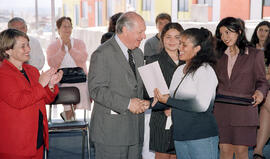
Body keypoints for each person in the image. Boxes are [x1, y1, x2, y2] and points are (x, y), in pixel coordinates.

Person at [88, 11, 149, 159]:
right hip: (111, 133)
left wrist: (149, 99)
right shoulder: (102, 54)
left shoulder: (138, 54)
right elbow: (96, 90)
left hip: (135, 129)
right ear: (125, 30)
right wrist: (128, 103)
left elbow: (138, 86)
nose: (144, 36)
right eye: (140, 32)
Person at [151, 28, 219, 159]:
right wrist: (148, 103)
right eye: (179, 43)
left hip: (201, 136)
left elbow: (201, 106)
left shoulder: (205, 70)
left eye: (184, 44)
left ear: (197, 49)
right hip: (180, 136)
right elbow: (172, 100)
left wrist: (168, 101)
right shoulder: (179, 70)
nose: (179, 47)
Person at [0, 29, 62, 159]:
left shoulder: (32, 70)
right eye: (22, 46)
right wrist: (41, 85)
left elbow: (43, 99)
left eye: (28, 44)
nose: (28, 49)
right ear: (8, 50)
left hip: (36, 137)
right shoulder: (3, 74)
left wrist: (50, 85)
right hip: (16, 143)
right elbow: (19, 101)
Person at [214, 17, 269, 159]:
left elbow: (262, 82)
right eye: (222, 34)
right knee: (224, 150)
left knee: (241, 152)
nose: (225, 37)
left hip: (244, 111)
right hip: (222, 110)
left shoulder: (255, 54)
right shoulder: (217, 56)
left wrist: (260, 93)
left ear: (239, 31)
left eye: (228, 32)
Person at [145, 22, 184, 159]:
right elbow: (148, 94)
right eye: (168, 37)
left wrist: (177, 110)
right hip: (161, 116)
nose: (172, 41)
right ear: (162, 39)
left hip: (183, 117)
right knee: (162, 154)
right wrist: (165, 107)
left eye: (177, 37)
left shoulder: (190, 62)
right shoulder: (152, 60)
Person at [46, 16, 91, 122]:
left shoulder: (79, 43)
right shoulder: (52, 46)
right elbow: (51, 63)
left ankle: (68, 115)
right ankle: (69, 115)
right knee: (66, 87)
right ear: (58, 29)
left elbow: (83, 58)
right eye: (64, 27)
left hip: (78, 76)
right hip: (60, 78)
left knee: (83, 87)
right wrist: (62, 50)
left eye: (69, 26)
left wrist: (71, 48)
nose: (67, 29)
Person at [250, 20, 270, 159]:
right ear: (256, 31)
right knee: (266, 110)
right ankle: (258, 151)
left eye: (266, 30)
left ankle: (258, 151)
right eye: (260, 29)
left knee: (266, 107)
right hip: (250, 86)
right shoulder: (248, 48)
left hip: (267, 85)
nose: (262, 33)